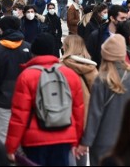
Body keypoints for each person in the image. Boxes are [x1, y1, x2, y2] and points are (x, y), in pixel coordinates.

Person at [5, 33, 84, 166]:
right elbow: (78, 110)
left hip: (34, 140)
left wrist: (10, 147)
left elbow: (19, 115)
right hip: (64, 137)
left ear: (33, 52)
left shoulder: (27, 76)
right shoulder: (70, 74)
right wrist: (77, 140)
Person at [78, 34, 130, 166]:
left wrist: (86, 142)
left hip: (103, 142)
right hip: (128, 142)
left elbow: (94, 114)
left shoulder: (101, 80)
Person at [0, 17, 32, 143]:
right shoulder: (28, 47)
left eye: (0, 26)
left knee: (4, 140)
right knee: (24, 140)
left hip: (2, 101)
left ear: (5, 28)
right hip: (25, 101)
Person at [61, 35, 97, 166]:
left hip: (64, 116)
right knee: (82, 155)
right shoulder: (91, 67)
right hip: (86, 118)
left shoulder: (61, 66)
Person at [87, 5, 129, 69]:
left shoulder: (128, 35)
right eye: (122, 18)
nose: (125, 21)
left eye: (126, 18)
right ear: (112, 18)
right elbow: (90, 57)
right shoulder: (97, 35)